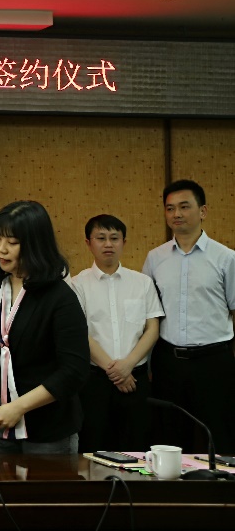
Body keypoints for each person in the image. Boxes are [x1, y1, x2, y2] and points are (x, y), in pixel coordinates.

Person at [0, 200, 89, 454]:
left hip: (48, 430)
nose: (1, 249)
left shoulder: (60, 296)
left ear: (35, 245)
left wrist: (18, 407)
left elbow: (73, 371)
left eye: (12, 242)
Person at [142, 179, 235, 452]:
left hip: (214, 361)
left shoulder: (226, 258)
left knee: (221, 436)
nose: (176, 214)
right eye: (170, 208)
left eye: (184, 207)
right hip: (168, 361)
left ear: (203, 211)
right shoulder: (155, 258)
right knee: (168, 438)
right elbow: (148, 314)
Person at [72, 214, 163, 453]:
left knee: (137, 447)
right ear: (88, 243)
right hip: (94, 382)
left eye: (114, 238)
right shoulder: (77, 285)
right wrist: (116, 372)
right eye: (101, 238)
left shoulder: (142, 282)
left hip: (136, 379)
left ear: (124, 242)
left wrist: (128, 366)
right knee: (93, 448)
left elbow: (152, 329)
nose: (108, 244)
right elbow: (80, 334)